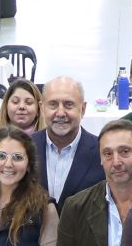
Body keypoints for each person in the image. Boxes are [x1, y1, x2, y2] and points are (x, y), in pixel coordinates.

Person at [35, 76, 102, 204]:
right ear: (42, 108)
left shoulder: (101, 151)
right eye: (53, 104)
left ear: (83, 109)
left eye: (69, 105)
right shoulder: (25, 148)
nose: (60, 113)